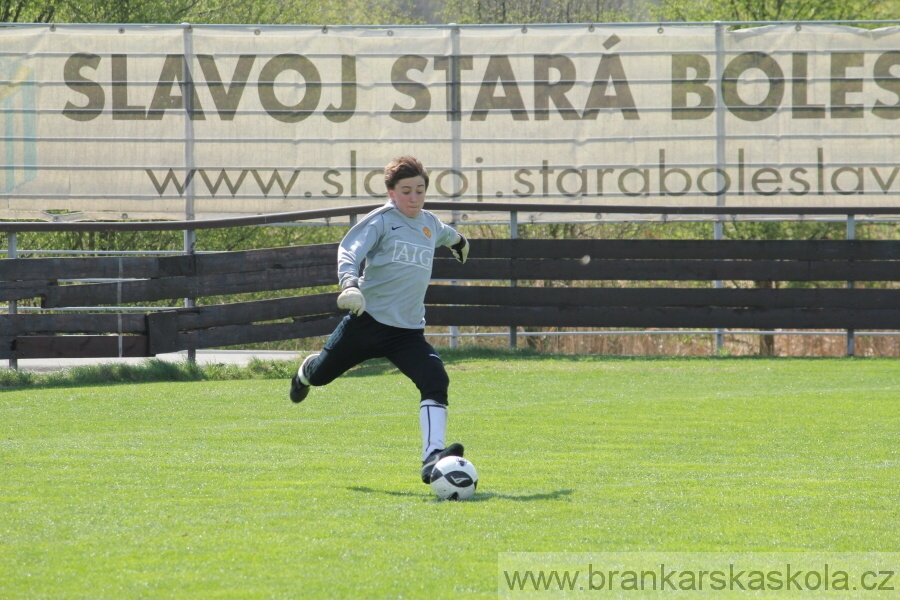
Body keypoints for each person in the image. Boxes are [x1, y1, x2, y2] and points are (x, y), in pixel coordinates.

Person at [289, 155, 471, 484]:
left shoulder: (429, 222)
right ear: (391, 192)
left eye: (419, 190)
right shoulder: (383, 221)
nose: (413, 198)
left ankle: (432, 457)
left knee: (435, 380)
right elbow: (350, 250)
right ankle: (306, 371)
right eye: (406, 191)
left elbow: (443, 234)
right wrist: (349, 284)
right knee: (320, 378)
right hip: (367, 322)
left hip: (407, 332)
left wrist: (459, 242)